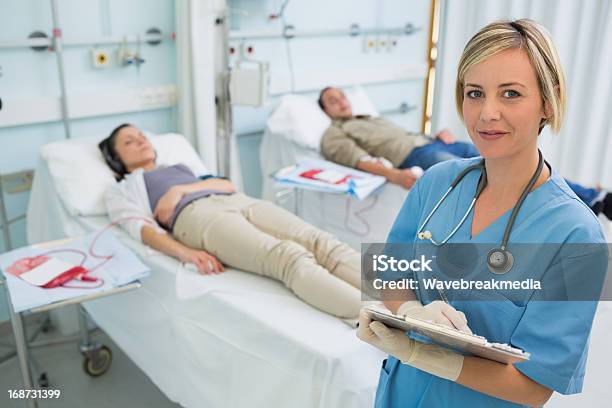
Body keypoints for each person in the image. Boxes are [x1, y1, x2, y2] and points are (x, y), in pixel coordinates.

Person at [356, 19, 608, 407]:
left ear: (548, 100)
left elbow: (535, 387)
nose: (487, 113)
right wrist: (410, 310)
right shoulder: (438, 184)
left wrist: (421, 353)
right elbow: (389, 270)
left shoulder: (576, 236)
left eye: (510, 93)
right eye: (475, 93)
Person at [98, 124, 363, 321]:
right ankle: (380, 321)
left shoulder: (178, 166)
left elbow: (227, 184)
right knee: (289, 257)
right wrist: (187, 253)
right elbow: (142, 230)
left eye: (142, 136)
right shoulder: (122, 189)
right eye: (129, 142)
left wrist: (178, 190)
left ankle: (400, 296)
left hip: (237, 200)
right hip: (196, 216)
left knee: (322, 241)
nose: (141, 141)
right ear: (116, 158)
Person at [318, 87, 612, 219]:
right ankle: (557, 209)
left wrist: (435, 136)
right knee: (488, 172)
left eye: (342, 95)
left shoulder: (368, 118)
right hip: (417, 158)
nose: (341, 101)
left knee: (519, 159)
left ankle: (591, 197)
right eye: (333, 100)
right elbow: (361, 160)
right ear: (325, 110)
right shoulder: (335, 134)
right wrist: (397, 176)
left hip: (434, 144)